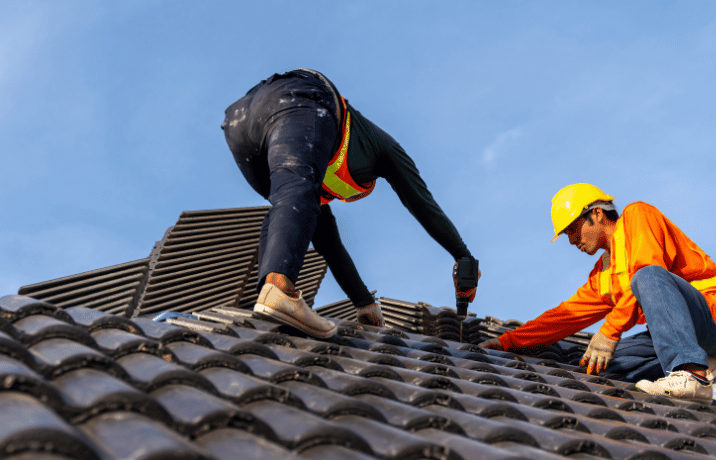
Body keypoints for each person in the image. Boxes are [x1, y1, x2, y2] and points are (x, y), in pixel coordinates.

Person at [222, 68, 478, 339]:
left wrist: (363, 302)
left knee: (288, 209)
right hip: (300, 97)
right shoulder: (382, 148)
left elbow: (330, 244)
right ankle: (278, 289)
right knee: (298, 194)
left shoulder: (312, 175)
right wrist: (463, 256)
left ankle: (266, 302)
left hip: (241, 123)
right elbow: (423, 203)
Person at [481, 183, 716, 402]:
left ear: (597, 214)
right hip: (689, 338)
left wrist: (610, 331)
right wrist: (507, 341)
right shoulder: (605, 274)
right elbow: (565, 316)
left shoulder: (638, 216)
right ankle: (701, 370)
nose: (572, 240)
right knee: (601, 366)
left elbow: (647, 270)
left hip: (709, 318)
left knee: (648, 276)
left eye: (573, 229)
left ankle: (693, 375)